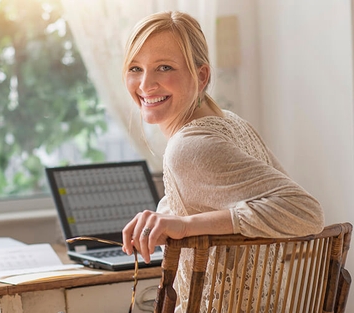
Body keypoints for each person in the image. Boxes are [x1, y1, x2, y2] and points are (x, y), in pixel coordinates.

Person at [120, 11, 324, 312]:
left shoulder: (189, 147)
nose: (145, 84)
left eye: (164, 67)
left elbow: (306, 211)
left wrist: (186, 224)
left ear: (201, 76)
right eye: (136, 68)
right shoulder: (230, 123)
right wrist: (168, 215)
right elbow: (218, 198)